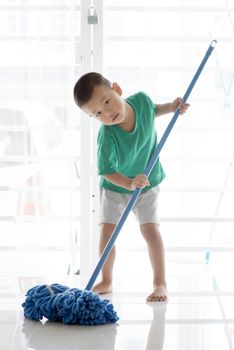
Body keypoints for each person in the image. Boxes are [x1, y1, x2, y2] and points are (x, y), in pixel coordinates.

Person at [73, 72, 189, 302]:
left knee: (150, 231)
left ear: (116, 88)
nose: (107, 113)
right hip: (115, 186)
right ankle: (106, 280)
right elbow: (105, 169)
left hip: (147, 182)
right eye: (97, 113)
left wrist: (173, 107)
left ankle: (160, 283)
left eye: (106, 102)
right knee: (107, 233)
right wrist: (128, 183)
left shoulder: (142, 101)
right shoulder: (107, 135)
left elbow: (153, 110)